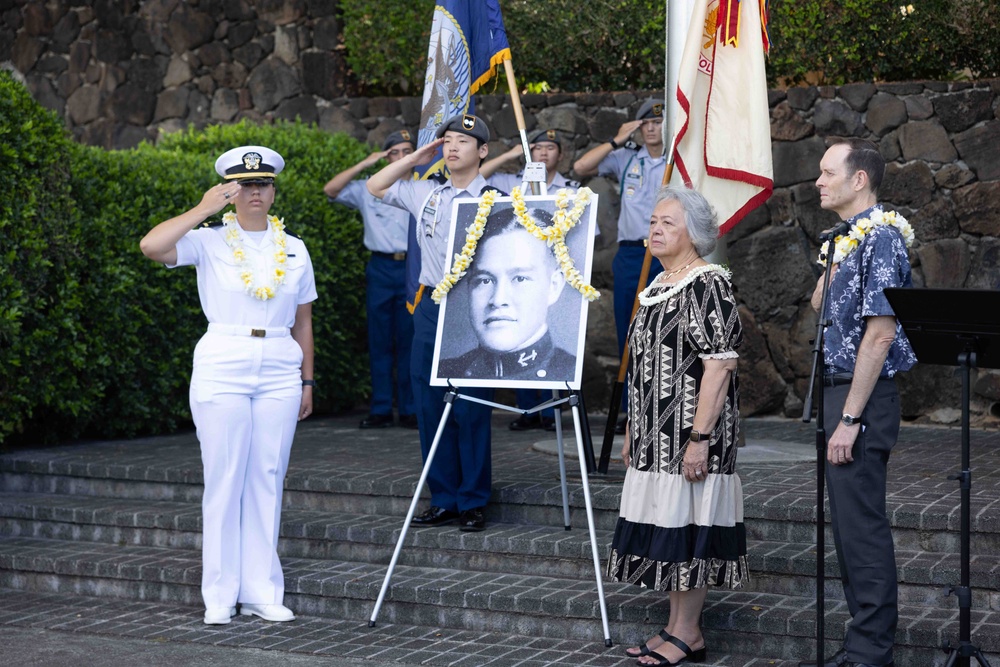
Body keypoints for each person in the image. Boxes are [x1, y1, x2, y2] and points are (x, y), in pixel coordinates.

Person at [139, 146, 317, 625]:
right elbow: (152, 247)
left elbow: (304, 319)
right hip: (224, 358)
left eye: (263, 184)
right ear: (229, 191)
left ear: (274, 190)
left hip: (280, 362)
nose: (255, 192)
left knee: (266, 477)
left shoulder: (295, 247)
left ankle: (261, 590)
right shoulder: (208, 239)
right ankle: (218, 594)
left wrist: (307, 380)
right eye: (244, 185)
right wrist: (203, 209)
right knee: (225, 478)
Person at [608, 186, 746, 667]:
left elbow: (719, 366)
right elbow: (645, 367)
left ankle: (688, 633)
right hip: (654, 437)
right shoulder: (659, 284)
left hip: (691, 437)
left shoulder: (707, 283)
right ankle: (674, 628)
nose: (655, 229)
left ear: (695, 232)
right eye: (652, 221)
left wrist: (699, 440)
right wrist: (632, 428)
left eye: (668, 222)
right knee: (671, 531)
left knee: (690, 531)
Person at [799, 138, 916, 667]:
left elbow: (880, 334)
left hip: (859, 395)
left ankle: (870, 652)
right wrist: (837, 254)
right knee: (847, 529)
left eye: (828, 173)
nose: (818, 182)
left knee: (861, 528)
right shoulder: (847, 240)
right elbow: (820, 303)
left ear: (859, 180)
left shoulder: (883, 238)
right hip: (837, 389)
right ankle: (862, 645)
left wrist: (850, 418)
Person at [366, 113, 495, 533]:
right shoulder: (426, 193)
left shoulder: (495, 198)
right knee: (429, 402)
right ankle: (444, 497)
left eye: (463, 140)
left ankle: (474, 499)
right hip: (431, 305)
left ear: (483, 151)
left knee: (471, 406)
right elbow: (375, 186)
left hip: (472, 309)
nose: (454, 146)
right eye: (448, 140)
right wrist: (416, 157)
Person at [574, 98, 667, 433]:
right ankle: (632, 410)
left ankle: (663, 407)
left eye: (658, 122)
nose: (653, 128)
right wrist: (617, 138)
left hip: (667, 255)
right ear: (638, 128)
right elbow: (582, 168)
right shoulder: (627, 158)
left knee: (667, 333)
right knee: (630, 333)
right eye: (646, 123)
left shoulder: (677, 161)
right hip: (630, 255)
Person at [482, 128, 581, 431]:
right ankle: (527, 410)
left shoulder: (572, 188)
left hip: (551, 270)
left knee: (545, 334)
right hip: (517, 272)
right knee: (522, 334)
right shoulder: (508, 184)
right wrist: (514, 155)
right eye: (536, 148)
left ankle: (552, 411)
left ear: (560, 154)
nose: (542, 153)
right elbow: (480, 177)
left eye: (549, 147)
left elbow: (582, 234)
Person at [324, 130, 418, 430]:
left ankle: (408, 409)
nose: (401, 158)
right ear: (385, 156)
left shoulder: (421, 187)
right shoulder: (368, 188)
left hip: (410, 270)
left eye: (407, 151)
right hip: (380, 267)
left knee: (408, 341)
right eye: (395, 152)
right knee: (379, 341)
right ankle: (380, 408)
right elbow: (331, 190)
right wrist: (366, 163)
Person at [437, 207, 575, 382]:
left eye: (520, 278)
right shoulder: (448, 372)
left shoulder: (570, 374)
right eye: (484, 280)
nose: (498, 300)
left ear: (553, 287)